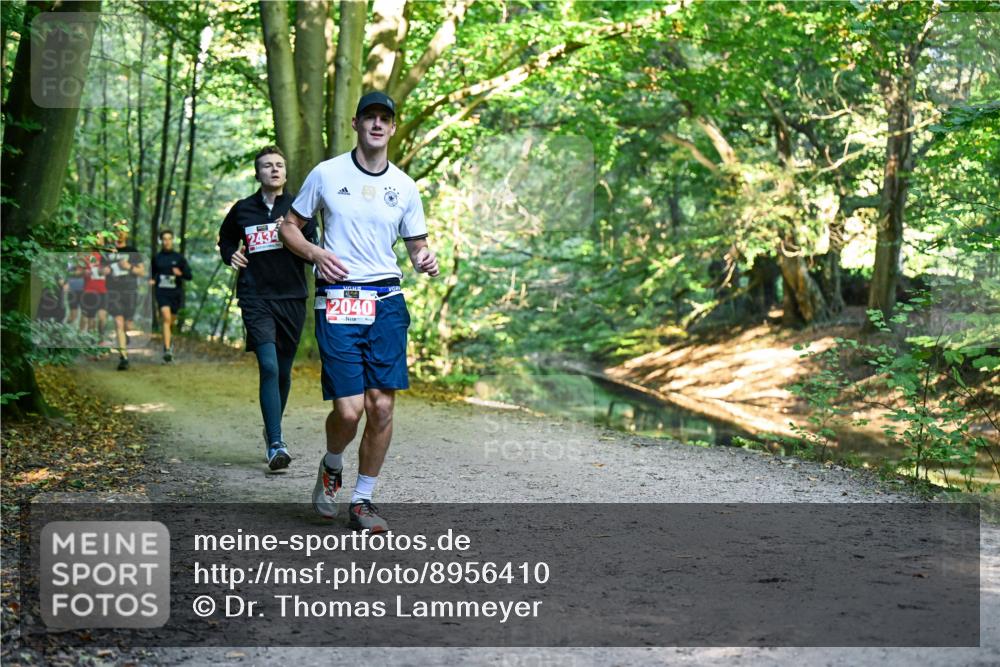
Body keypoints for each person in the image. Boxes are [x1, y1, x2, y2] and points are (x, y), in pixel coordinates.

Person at [279, 91, 439, 532]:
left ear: (392, 127)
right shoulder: (326, 174)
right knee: (349, 411)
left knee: (381, 407)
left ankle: (363, 500)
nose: (377, 124)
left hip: (386, 301)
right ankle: (332, 464)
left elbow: (417, 245)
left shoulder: (404, 186)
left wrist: (424, 258)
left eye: (384, 118)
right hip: (339, 299)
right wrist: (314, 253)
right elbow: (288, 227)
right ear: (356, 123)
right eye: (369, 117)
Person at [218, 145, 318, 471]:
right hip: (255, 296)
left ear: (285, 173)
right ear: (257, 173)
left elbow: (313, 252)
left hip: (292, 296)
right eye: (267, 165)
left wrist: (289, 234)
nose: (274, 170)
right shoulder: (243, 209)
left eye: (279, 165)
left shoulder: (299, 209)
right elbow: (226, 239)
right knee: (270, 366)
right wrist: (230, 254)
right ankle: (276, 443)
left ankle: (272, 427)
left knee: (284, 372)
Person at [105, 226, 145, 370]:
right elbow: (99, 269)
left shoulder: (132, 251)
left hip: (130, 291)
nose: (119, 234)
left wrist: (128, 266)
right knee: (118, 323)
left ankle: (125, 336)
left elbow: (142, 271)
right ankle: (124, 357)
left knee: (128, 325)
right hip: (113, 291)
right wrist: (105, 270)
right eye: (116, 232)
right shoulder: (108, 251)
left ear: (126, 234)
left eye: (122, 232)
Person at [150, 229, 191, 362]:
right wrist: (151, 280)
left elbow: (189, 276)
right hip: (161, 292)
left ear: (172, 240)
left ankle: (168, 343)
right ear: (161, 241)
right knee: (166, 318)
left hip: (175, 293)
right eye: (164, 239)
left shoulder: (179, 258)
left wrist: (180, 273)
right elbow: (151, 274)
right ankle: (167, 350)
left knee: (171, 321)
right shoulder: (157, 258)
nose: (167, 241)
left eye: (169, 239)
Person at [79, 249, 109, 337]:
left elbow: (108, 270)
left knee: (102, 317)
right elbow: (77, 271)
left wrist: (105, 270)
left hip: (102, 291)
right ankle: (91, 340)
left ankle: (101, 337)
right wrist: (84, 272)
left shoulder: (104, 255)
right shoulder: (85, 255)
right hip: (89, 291)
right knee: (91, 320)